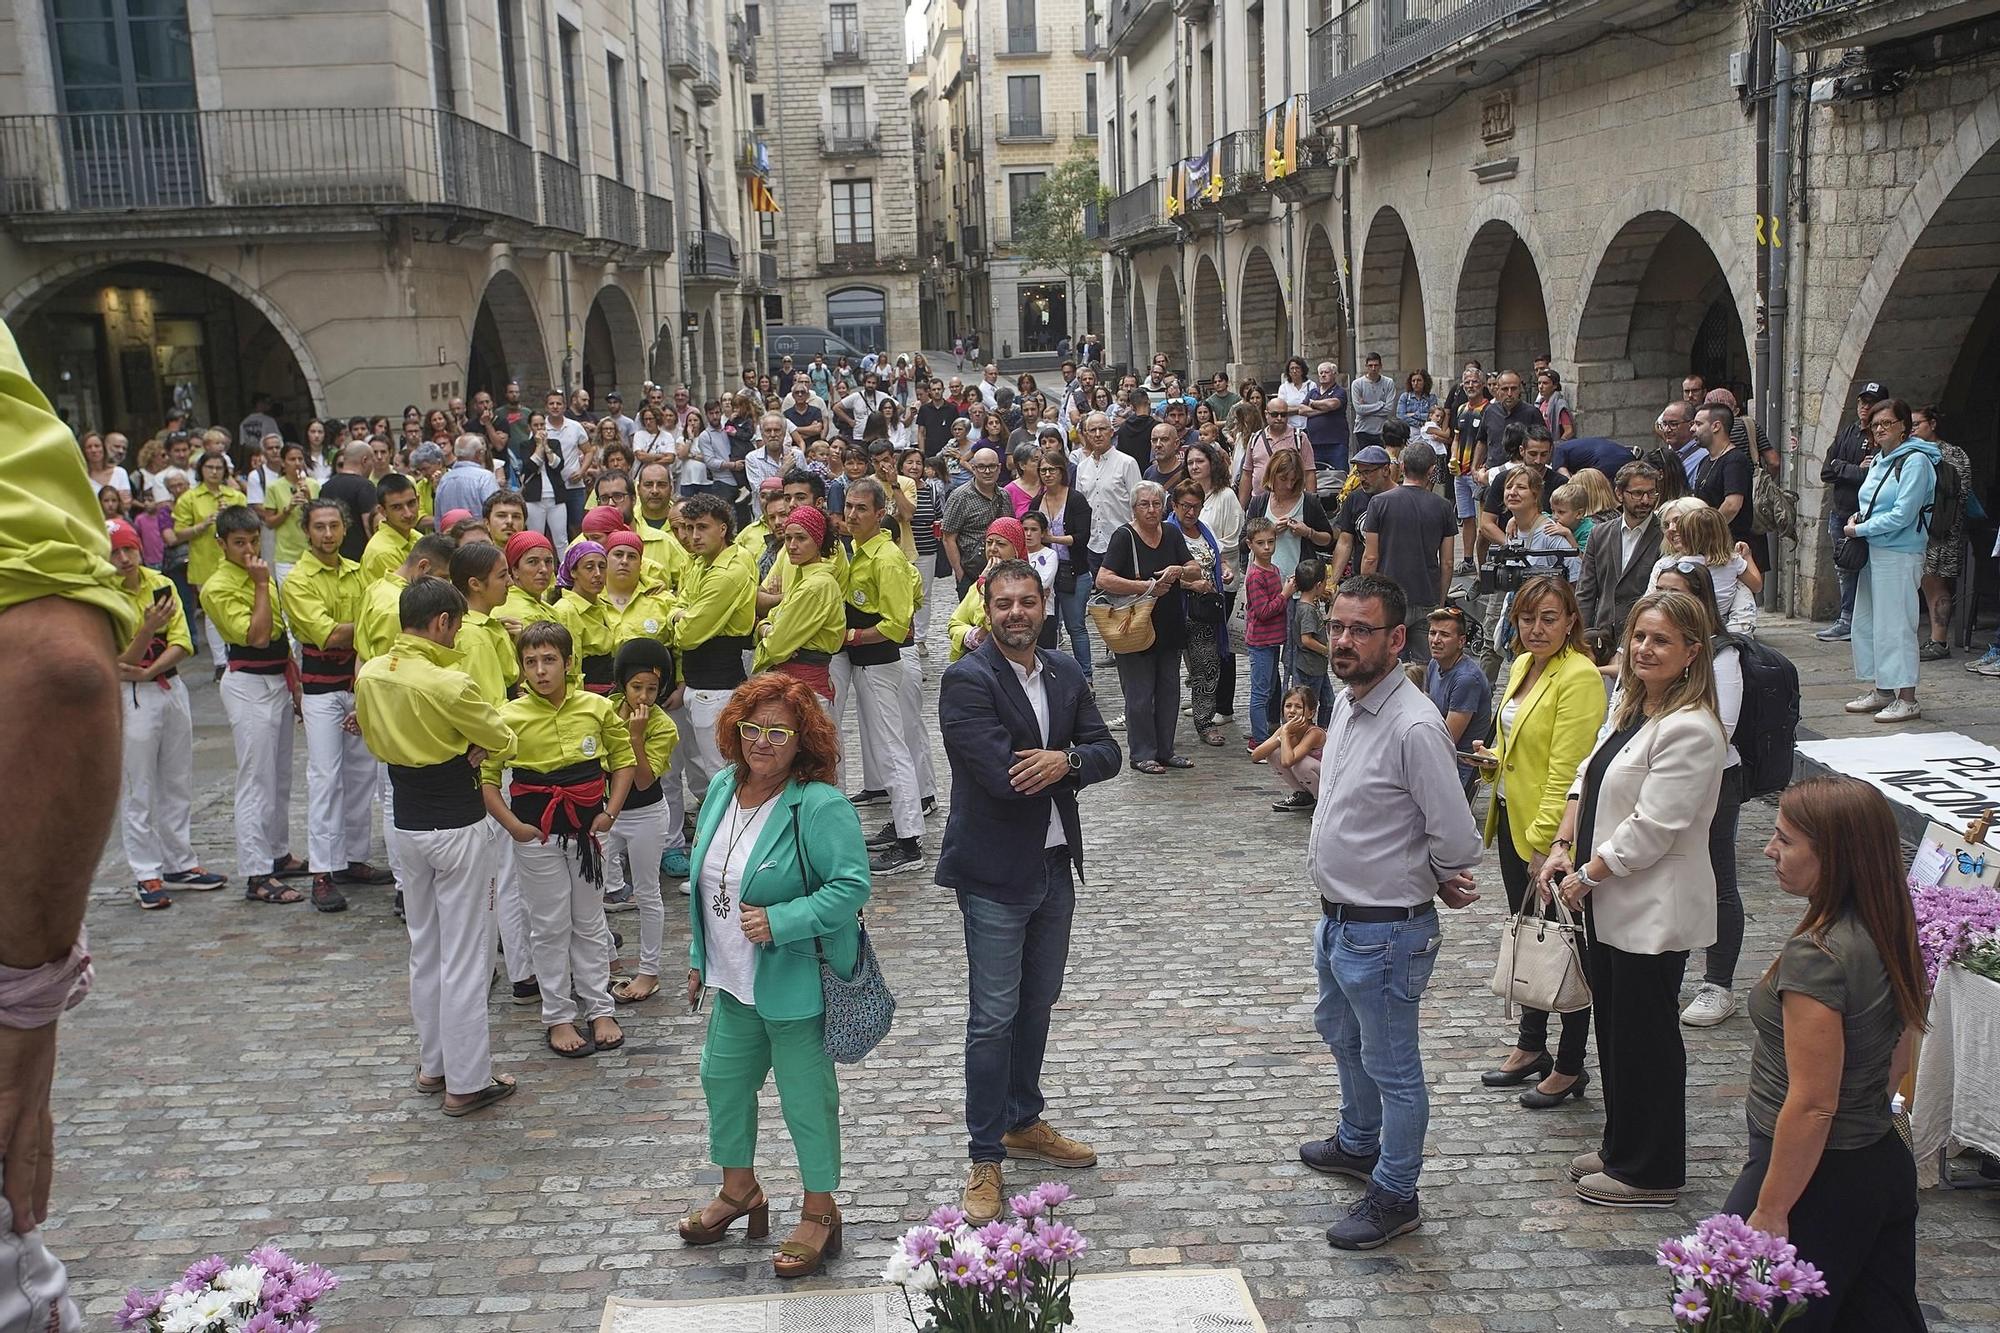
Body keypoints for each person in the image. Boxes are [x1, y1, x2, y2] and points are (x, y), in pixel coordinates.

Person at [1300, 573, 1482, 1249]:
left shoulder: (1414, 724)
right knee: (1343, 1038)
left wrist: (1433, 875)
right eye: (1337, 626)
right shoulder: (1350, 697)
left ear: (1395, 637)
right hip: (1340, 919)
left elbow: (1457, 836)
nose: (1342, 641)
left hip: (1386, 932)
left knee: (1394, 1065)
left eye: (1359, 630)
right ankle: (1357, 1141)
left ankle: (1397, 1192)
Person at [935, 559, 1121, 1222]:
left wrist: (1064, 759)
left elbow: (1107, 751)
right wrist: (1061, 762)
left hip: (1053, 866)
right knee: (992, 1015)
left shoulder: (1066, 670)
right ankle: (985, 1154)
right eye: (1004, 602)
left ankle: (1023, 1117)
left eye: (1027, 600)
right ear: (986, 608)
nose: (1017, 611)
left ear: (1045, 604)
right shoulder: (966, 680)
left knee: (1037, 1001)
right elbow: (997, 773)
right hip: (992, 872)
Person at [672, 674, 872, 1278]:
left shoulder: (818, 804)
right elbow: (709, 886)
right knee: (723, 1083)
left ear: (801, 738)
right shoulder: (723, 790)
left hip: (795, 983)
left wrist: (783, 919)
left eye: (778, 731)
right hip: (733, 981)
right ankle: (740, 1192)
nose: (762, 742)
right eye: (753, 728)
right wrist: (698, 957)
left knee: (806, 1100)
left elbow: (852, 885)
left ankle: (820, 1211)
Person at [1537, 589, 1727, 1208]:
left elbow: (1653, 826)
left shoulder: (1693, 730)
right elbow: (1586, 776)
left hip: (1651, 906)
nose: (1645, 649)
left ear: (1692, 653)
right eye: (1640, 637)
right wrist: (1564, 843)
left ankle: (1652, 1168)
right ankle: (1622, 1143)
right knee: (1616, 1031)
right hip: (1607, 902)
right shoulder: (1632, 706)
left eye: (1662, 641)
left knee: (1646, 1038)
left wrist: (1588, 873)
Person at [1722, 776, 1929, 1330]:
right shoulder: (1891, 921)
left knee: (1748, 1318)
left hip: (1811, 1174)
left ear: (1835, 854)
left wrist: (1770, 1208)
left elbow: (1813, 1103)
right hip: (1877, 1161)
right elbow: (1899, 1060)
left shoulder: (1819, 956)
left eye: (1786, 840)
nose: (1770, 850)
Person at [352, 576, 518, 1115]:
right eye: (457, 626)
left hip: (405, 822)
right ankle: (465, 1082)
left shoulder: (372, 673)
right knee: (468, 955)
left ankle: (434, 1065)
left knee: (425, 947)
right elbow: (501, 737)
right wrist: (472, 744)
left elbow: (372, 735)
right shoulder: (449, 681)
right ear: (442, 622)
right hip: (456, 823)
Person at [1472, 576, 1606, 1108]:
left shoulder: (1579, 676)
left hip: (1549, 836)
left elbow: (1567, 770)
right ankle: (1531, 1046)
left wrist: (1543, 843)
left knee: (1567, 946)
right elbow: (1514, 743)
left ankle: (1572, 1063)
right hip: (1509, 817)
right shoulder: (1526, 666)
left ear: (1571, 619)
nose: (1537, 628)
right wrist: (1489, 761)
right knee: (1531, 935)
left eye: (1549, 617)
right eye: (1528, 618)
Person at [481, 621, 637, 1057]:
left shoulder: (596, 708)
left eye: (549, 660)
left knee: (589, 921)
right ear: (521, 669)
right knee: (548, 926)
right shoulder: (508, 718)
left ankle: (599, 1007)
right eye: (531, 662)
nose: (541, 670)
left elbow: (624, 762)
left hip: (588, 835)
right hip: (537, 836)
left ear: (569, 663)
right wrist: (514, 826)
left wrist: (610, 812)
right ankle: (558, 1015)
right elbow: (487, 779)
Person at [1643, 561, 1748, 1029]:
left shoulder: (1721, 656)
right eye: (1659, 590)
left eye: (1676, 593)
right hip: (1650, 768)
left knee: (1716, 874)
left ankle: (1718, 982)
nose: (1664, 599)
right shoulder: (1645, 649)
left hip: (1712, 779)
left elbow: (1721, 729)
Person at [282, 496, 390, 913]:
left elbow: (366, 626)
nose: (327, 534)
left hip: (358, 681)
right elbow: (326, 635)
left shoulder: (356, 573)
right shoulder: (297, 579)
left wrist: (362, 629)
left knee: (362, 773)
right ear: (307, 532)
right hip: (322, 687)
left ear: (345, 529)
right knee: (326, 776)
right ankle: (323, 870)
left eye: (334, 526)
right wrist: (365, 626)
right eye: (319, 527)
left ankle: (352, 857)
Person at [202, 504, 308, 904]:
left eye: (252, 541)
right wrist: (262, 585)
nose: (248, 550)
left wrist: (294, 683)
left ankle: (277, 851)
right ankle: (256, 871)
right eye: (238, 543)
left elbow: (281, 640)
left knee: (280, 775)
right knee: (255, 778)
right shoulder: (220, 585)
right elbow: (258, 635)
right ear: (222, 544)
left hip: (277, 679)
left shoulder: (255, 571)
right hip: (247, 683)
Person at [109, 519, 211, 910]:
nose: (123, 559)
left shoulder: (160, 582)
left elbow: (184, 640)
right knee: (139, 786)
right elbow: (118, 661)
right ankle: (145, 870)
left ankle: (179, 861)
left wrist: (152, 668)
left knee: (177, 778)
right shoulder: (106, 595)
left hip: (167, 686)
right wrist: (149, 630)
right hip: (132, 695)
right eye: (115, 552)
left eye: (128, 549)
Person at [836, 478, 925, 875]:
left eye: (861, 509)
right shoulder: (858, 552)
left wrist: (850, 635)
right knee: (882, 747)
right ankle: (901, 825)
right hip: (864, 665)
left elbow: (896, 624)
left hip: (878, 664)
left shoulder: (886, 558)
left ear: (880, 513)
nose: (852, 515)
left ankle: (909, 844)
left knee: (891, 750)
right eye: (849, 507)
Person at [1842, 398, 1937, 726]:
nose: (1879, 429)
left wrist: (1860, 528)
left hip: (1899, 551)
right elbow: (1874, 504)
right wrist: (1860, 520)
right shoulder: (1881, 460)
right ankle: (1883, 689)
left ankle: (1907, 698)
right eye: (1875, 424)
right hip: (1874, 548)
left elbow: (1904, 513)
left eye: (1887, 423)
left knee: (1897, 624)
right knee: (1868, 622)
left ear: (1904, 427)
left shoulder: (1915, 462)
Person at [1094, 480, 1198, 775]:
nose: (1151, 510)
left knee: (1169, 691)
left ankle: (1166, 750)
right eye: (1145, 504)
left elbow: (1195, 567)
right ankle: (1142, 753)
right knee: (1139, 695)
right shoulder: (1124, 537)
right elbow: (1103, 578)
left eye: (1156, 504)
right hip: (1134, 627)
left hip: (1169, 623)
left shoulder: (1173, 533)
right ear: (1134, 508)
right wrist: (1146, 587)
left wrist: (1180, 570)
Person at [600, 640, 679, 1007]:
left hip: (645, 814)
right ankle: (609, 961)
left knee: (648, 893)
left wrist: (635, 737)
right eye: (636, 687)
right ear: (621, 684)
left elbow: (644, 780)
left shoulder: (662, 726)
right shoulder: (604, 711)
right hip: (607, 812)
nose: (644, 697)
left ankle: (649, 970)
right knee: (590, 888)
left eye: (652, 689)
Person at [1360, 442, 1457, 656]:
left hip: (1389, 599)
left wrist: (1365, 596)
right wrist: (1440, 600)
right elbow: (1448, 562)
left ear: (1402, 467)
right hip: (1426, 596)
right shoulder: (1443, 507)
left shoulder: (1379, 503)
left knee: (1388, 662)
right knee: (1424, 667)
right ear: (1432, 470)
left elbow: (1370, 557)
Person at [1816, 382, 1885, 642]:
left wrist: (1842, 467)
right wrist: (1853, 469)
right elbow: (1826, 470)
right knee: (1845, 566)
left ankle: (1866, 620)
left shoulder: (1879, 438)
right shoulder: (1848, 433)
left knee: (1872, 569)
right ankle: (1846, 618)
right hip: (1842, 511)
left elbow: (1874, 476)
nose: (1865, 407)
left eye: (1871, 402)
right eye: (1862, 402)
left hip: (1869, 516)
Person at [1576, 460, 1663, 654]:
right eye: (1638, 493)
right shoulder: (1599, 534)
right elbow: (1586, 592)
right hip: (1603, 639)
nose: (1646, 501)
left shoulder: (1665, 536)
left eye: (1652, 493)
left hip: (1644, 640)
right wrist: (1580, 637)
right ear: (1619, 494)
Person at [1913, 404, 1969, 663]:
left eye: (1917, 424)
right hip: (1931, 529)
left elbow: (1957, 495)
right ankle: (1936, 638)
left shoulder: (1950, 454)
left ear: (1932, 424)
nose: (1913, 430)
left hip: (1940, 530)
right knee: (1929, 583)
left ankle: (1939, 640)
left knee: (1936, 584)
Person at [1031, 453, 1093, 680]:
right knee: (1048, 626)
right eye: (1043, 470)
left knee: (1075, 626)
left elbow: (1082, 537)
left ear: (1061, 471)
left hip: (1073, 571)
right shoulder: (1037, 502)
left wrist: (1051, 538)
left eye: (1052, 469)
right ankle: (1050, 675)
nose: (1047, 474)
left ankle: (1086, 676)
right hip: (1046, 571)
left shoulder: (1075, 499)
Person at [1422, 606, 1492, 796]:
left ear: (1461, 641)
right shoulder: (1434, 664)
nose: (1435, 640)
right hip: (1439, 757)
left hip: (1459, 768)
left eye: (1444, 635)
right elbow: (1426, 711)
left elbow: (1446, 740)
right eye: (1432, 633)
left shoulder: (1466, 679)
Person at [1257, 684, 1326, 811]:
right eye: (1288, 706)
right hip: (1309, 776)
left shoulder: (1314, 733)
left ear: (1310, 713)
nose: (1292, 711)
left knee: (1301, 764)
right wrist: (1281, 737)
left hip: (1327, 779)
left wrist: (1285, 735)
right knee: (1273, 753)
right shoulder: (1286, 729)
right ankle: (1303, 795)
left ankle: (1321, 802)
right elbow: (1256, 755)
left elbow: (1287, 762)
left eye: (1298, 707)